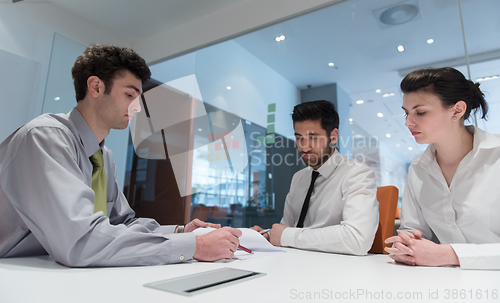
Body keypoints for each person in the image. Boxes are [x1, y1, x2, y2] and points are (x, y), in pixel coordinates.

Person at [0, 44, 241, 267]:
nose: (137, 107)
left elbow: (122, 224)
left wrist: (180, 232)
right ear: (95, 87)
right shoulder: (46, 138)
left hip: (49, 270)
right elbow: (80, 241)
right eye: (129, 95)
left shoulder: (103, 156)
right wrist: (194, 247)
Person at [385, 67, 500, 270]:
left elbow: (445, 254)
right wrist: (407, 242)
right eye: (406, 113)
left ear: (457, 110)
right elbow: (413, 229)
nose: (408, 122)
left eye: (420, 112)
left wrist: (449, 254)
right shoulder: (419, 168)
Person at [252, 100, 379, 255]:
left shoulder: (357, 174)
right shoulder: (299, 178)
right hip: (296, 264)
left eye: (313, 138)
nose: (305, 147)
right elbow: (286, 229)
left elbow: (357, 239)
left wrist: (286, 235)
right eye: (299, 138)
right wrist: (268, 235)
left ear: (333, 137)